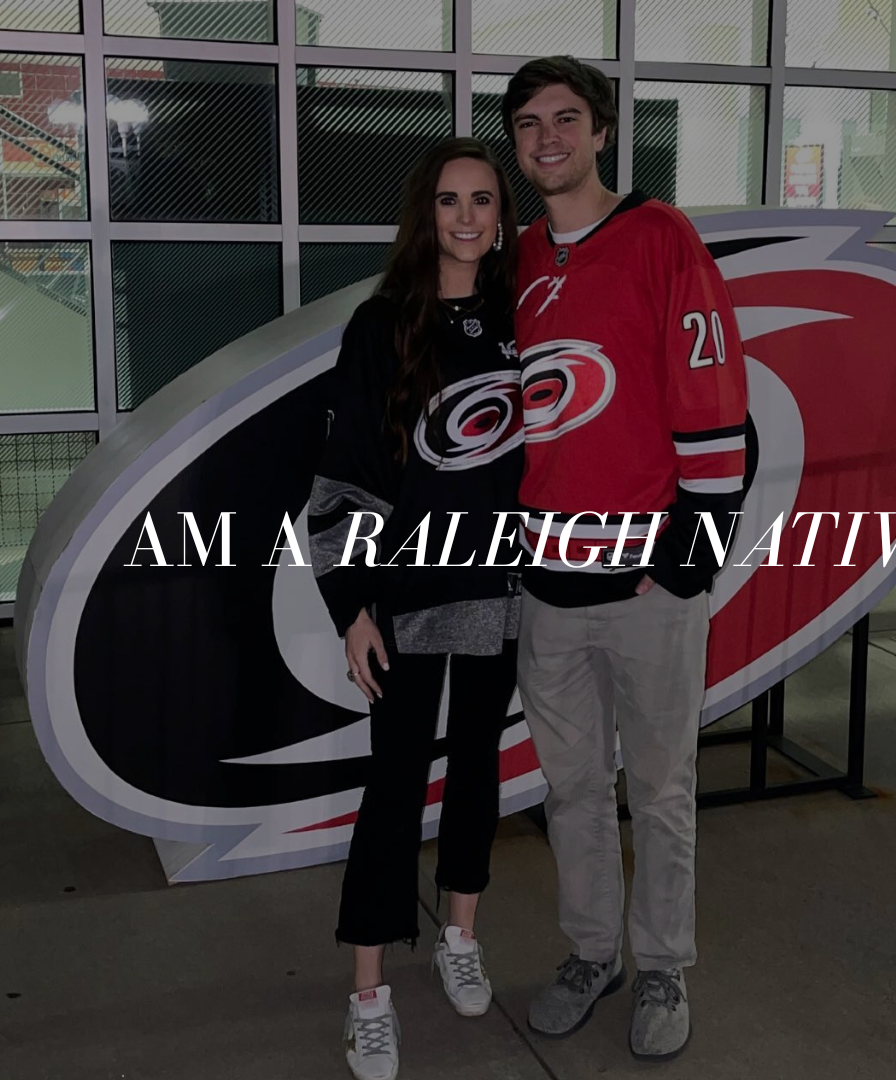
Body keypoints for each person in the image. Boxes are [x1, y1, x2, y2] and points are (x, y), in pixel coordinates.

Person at [501, 57, 749, 1060]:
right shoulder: (519, 254)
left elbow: (712, 382)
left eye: (567, 119)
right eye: (529, 123)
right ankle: (592, 951)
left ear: (603, 132)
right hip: (549, 583)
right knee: (570, 791)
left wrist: (698, 542)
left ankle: (663, 966)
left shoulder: (661, 237)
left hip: (650, 579)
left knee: (660, 790)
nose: (548, 138)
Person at [307, 136, 523, 1080]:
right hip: (407, 597)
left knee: (477, 772)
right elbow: (346, 471)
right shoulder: (383, 323)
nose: (467, 218)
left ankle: (460, 935)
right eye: (449, 200)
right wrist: (352, 605)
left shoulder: (526, 316)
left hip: (503, 592)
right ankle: (368, 996)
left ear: (502, 216)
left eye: (483, 200)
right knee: (394, 790)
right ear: (424, 214)